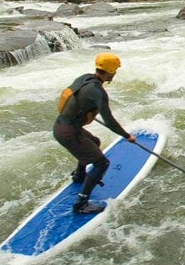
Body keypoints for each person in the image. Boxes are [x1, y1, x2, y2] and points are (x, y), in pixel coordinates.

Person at [53, 52, 135, 214]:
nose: (115, 73)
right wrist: (127, 136)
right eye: (115, 70)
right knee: (101, 163)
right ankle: (81, 203)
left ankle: (79, 175)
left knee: (95, 142)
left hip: (61, 126)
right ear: (110, 71)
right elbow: (109, 120)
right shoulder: (98, 92)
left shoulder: (84, 78)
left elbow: (74, 98)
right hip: (69, 132)